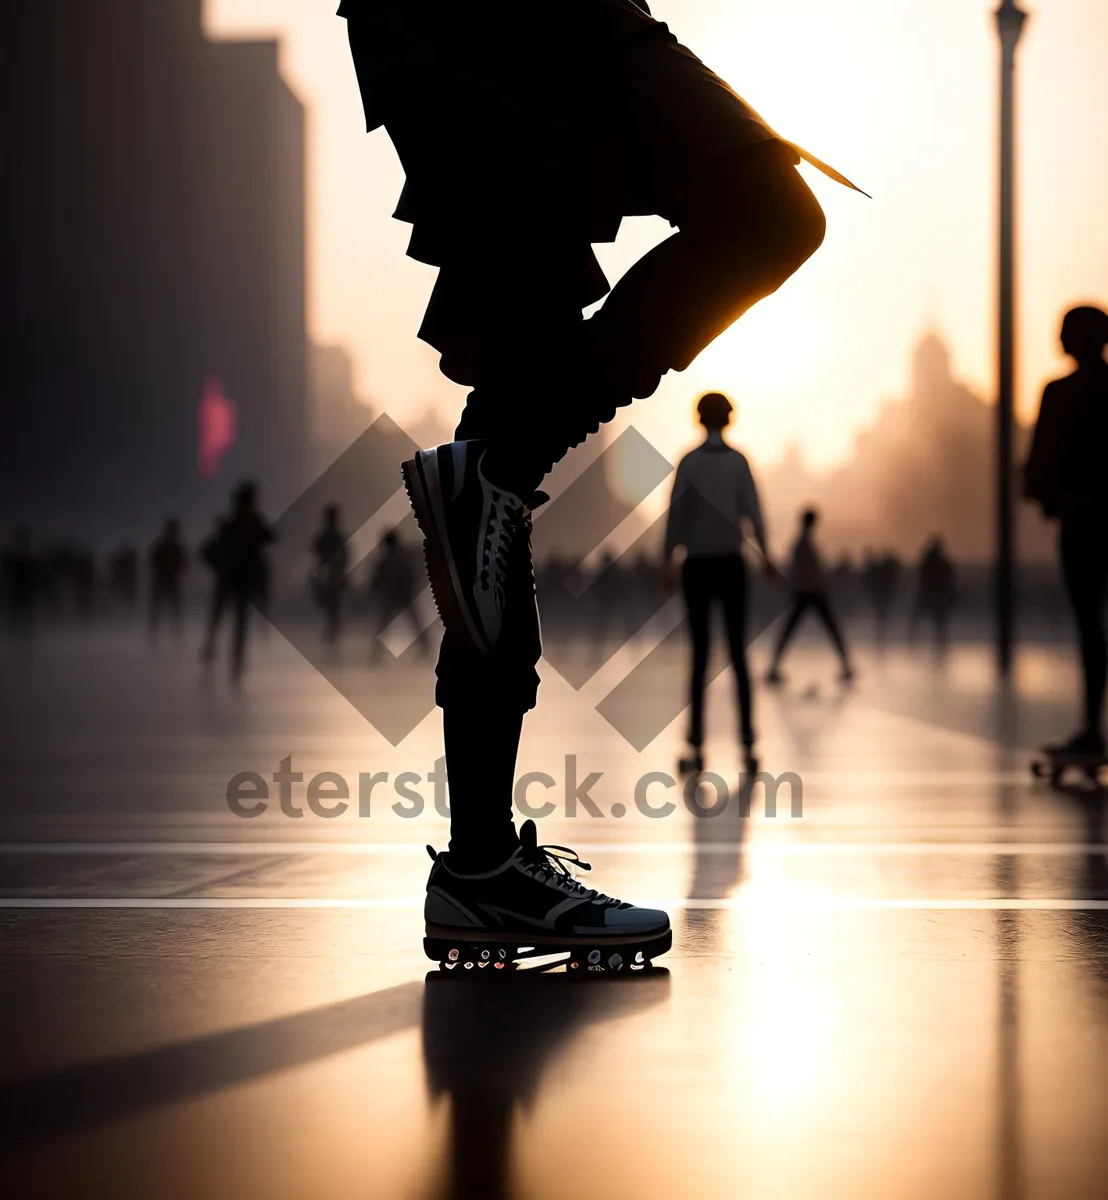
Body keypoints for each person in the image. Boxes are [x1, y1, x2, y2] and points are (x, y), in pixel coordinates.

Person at [342, 0, 859, 968]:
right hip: (540, 19)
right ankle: (504, 466)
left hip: (455, 28)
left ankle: (481, 865)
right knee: (771, 213)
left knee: (509, 399)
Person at [662, 391, 770, 774]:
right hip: (731, 564)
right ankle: (747, 742)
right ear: (729, 418)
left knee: (700, 654)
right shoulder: (739, 463)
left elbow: (676, 515)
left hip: (698, 565)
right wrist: (766, 552)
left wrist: (668, 559)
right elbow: (753, 512)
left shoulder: (689, 463)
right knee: (739, 653)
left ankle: (695, 742)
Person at [1024, 305, 1108, 762]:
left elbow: (1043, 462)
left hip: (1081, 522)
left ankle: (1092, 729)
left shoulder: (1060, 392)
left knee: (1090, 625)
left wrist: (1048, 496)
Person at [766, 508, 854, 684]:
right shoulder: (804, 544)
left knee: (790, 629)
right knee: (831, 628)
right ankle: (846, 666)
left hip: (806, 592)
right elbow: (806, 570)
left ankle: (774, 667)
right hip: (811, 592)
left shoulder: (801, 543)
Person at [201, 483, 273, 683]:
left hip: (234, 579)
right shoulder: (245, 523)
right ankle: (231, 661)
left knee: (226, 620)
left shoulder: (232, 524)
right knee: (231, 622)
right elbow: (270, 538)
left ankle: (228, 660)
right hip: (237, 579)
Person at [369, 528, 430, 657]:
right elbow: (413, 575)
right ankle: (425, 648)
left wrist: (374, 590)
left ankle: (376, 652)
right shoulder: (404, 556)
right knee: (415, 622)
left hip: (394, 596)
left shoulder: (387, 558)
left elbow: (377, 578)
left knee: (384, 624)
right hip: (404, 596)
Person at [910, 535, 956, 653]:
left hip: (934, 595)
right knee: (927, 621)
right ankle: (914, 643)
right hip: (930, 594)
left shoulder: (933, 561)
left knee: (935, 623)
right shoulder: (932, 561)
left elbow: (948, 580)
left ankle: (936, 646)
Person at [311, 505, 349, 645]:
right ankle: (331, 636)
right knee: (333, 610)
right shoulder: (335, 535)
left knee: (332, 610)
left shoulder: (327, 535)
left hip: (329, 577)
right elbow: (345, 556)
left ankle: (330, 636)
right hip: (332, 577)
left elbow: (315, 549)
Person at [148, 519, 187, 641]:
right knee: (160, 611)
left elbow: (182, 564)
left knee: (172, 611)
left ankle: (174, 636)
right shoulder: (164, 546)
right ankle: (155, 637)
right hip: (163, 581)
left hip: (169, 582)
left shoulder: (170, 547)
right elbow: (154, 561)